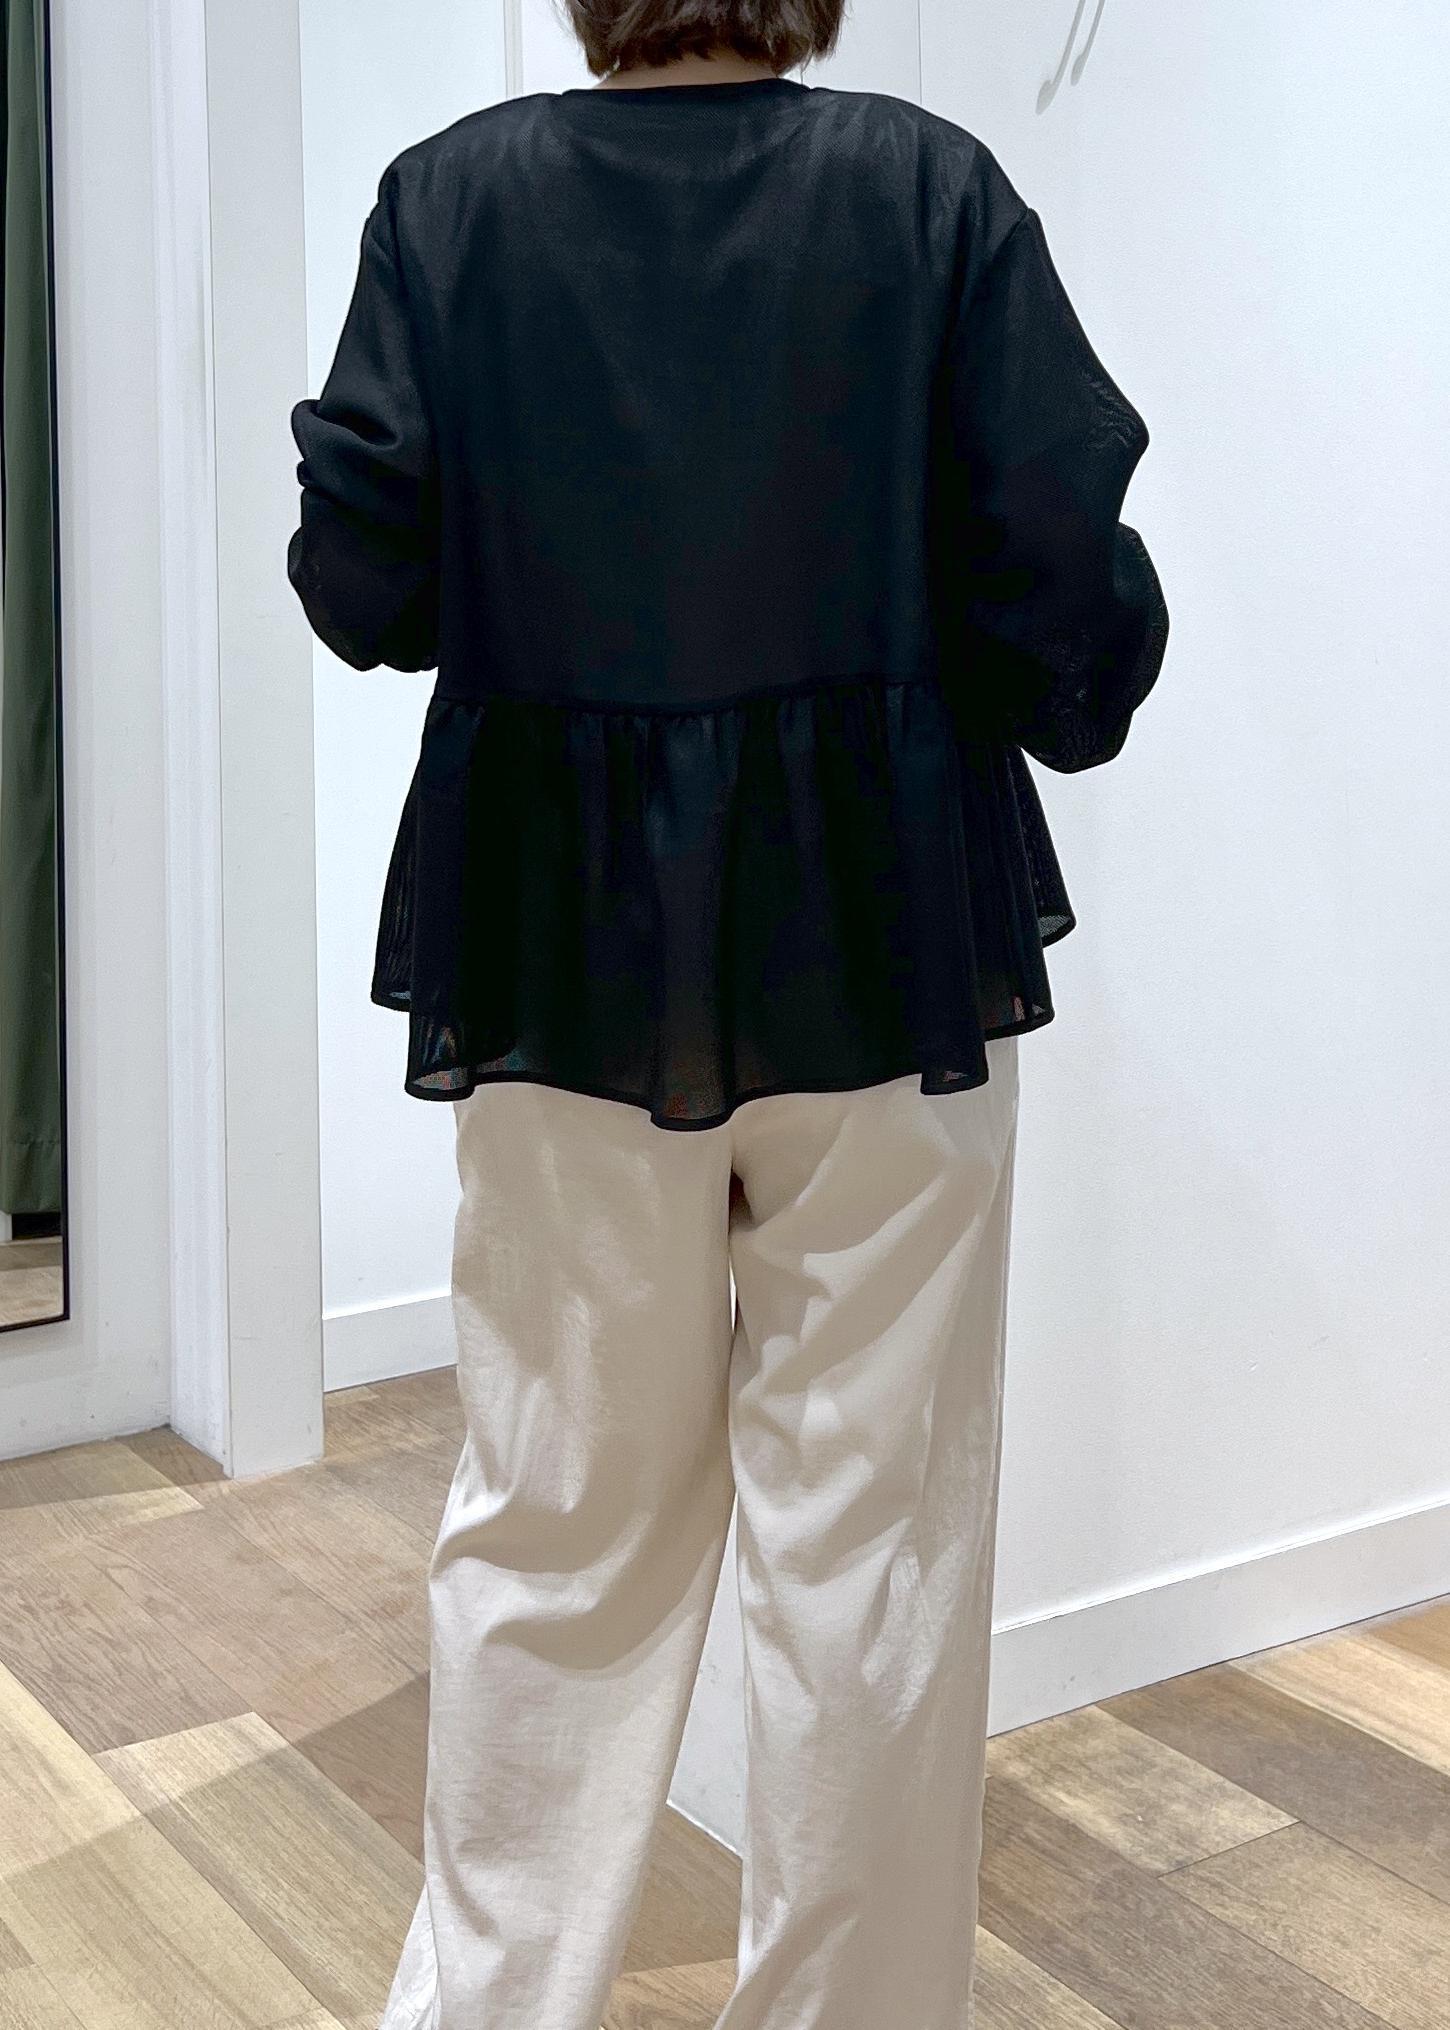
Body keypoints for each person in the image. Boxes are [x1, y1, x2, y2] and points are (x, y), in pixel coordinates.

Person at [287, 4, 1169, 2026]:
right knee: (874, 1552)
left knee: (552, 1526)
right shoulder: (925, 193)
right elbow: (1058, 574)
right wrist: (1057, 676)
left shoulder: (450, 206)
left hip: (565, 974)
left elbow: (363, 581)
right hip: (885, 954)